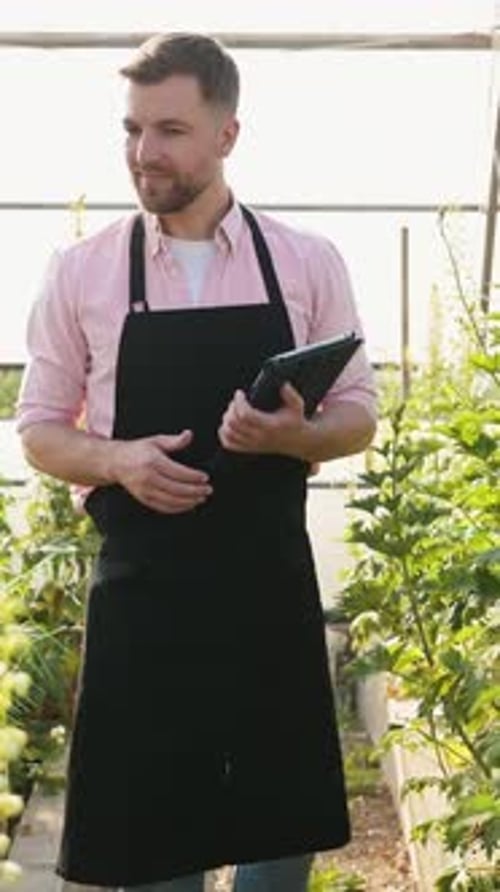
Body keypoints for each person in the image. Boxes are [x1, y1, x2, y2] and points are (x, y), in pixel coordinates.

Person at [17, 32, 377, 892]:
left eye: (171, 130)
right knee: (149, 849)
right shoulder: (81, 272)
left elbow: (358, 414)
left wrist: (294, 437)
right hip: (144, 597)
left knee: (274, 837)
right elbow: (38, 429)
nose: (146, 153)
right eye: (133, 129)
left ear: (227, 135)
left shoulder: (306, 261)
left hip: (266, 590)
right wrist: (119, 460)